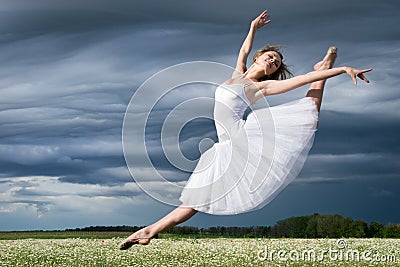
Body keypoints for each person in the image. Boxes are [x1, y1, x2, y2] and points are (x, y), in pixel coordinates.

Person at [119, 10, 372, 249]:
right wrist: (252, 27)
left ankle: (323, 70)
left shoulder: (262, 87)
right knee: (197, 200)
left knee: (309, 114)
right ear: (258, 58)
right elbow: (243, 50)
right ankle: (149, 231)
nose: (273, 61)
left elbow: (301, 80)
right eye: (271, 56)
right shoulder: (237, 74)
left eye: (276, 62)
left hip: (244, 140)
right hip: (224, 147)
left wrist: (342, 70)